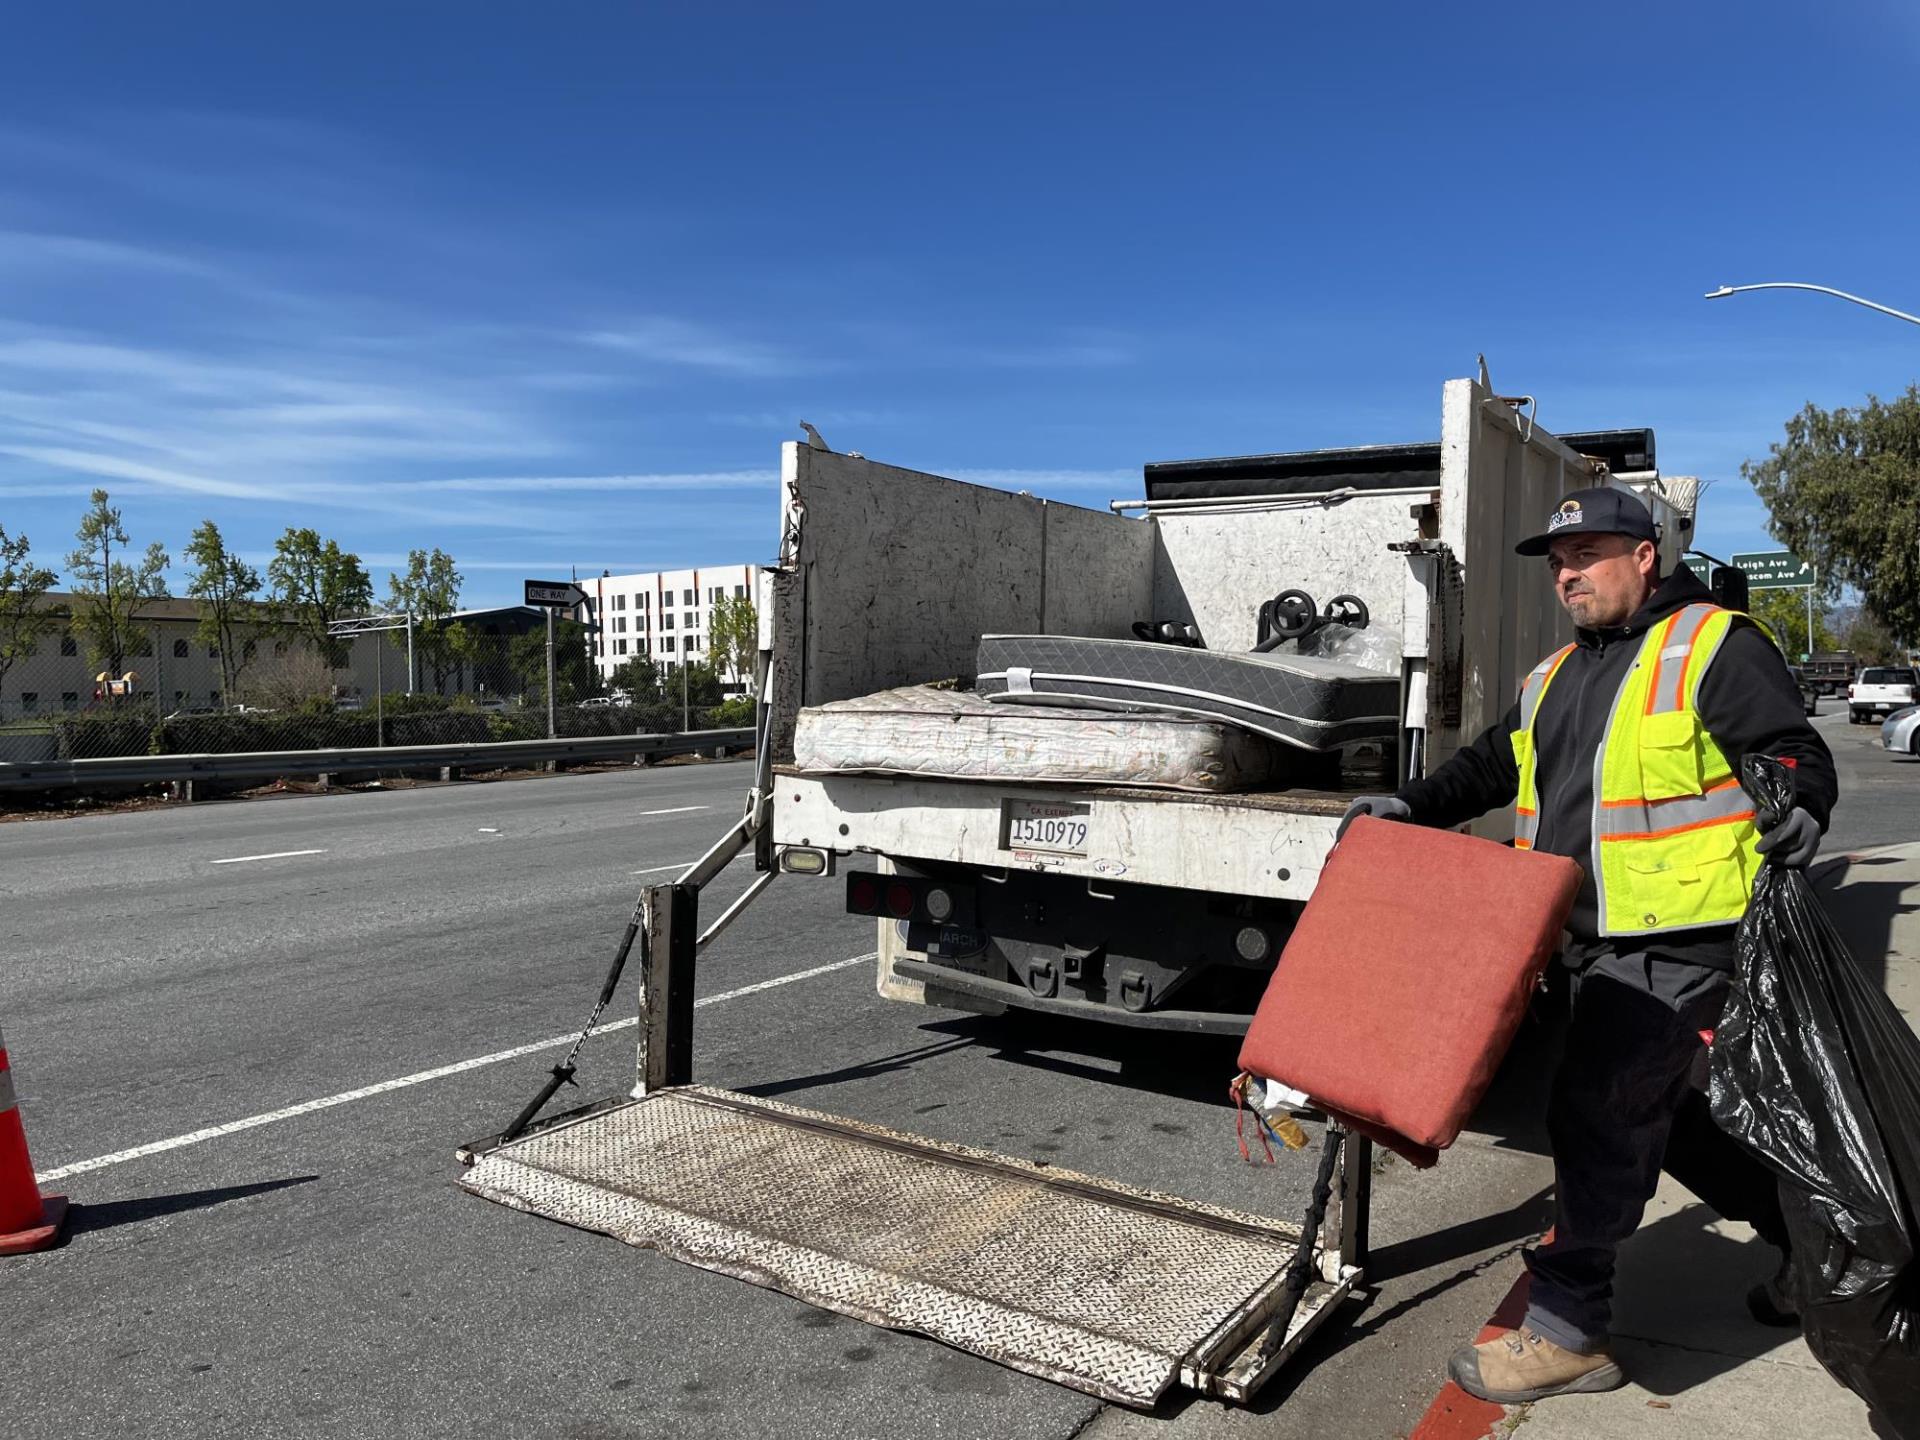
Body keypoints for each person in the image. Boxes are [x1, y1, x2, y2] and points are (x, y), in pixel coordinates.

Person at [1339, 485, 1836, 1405]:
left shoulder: (1713, 646)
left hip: (1684, 940)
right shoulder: (1556, 674)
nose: (1568, 573)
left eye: (1589, 555)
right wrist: (1409, 804)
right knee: (1675, 1118)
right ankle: (1814, 1251)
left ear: (1646, 557)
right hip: (1579, 943)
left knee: (1596, 1111)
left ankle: (1570, 1333)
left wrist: (1801, 801)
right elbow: (1493, 763)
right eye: (1559, 561)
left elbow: (1790, 747)